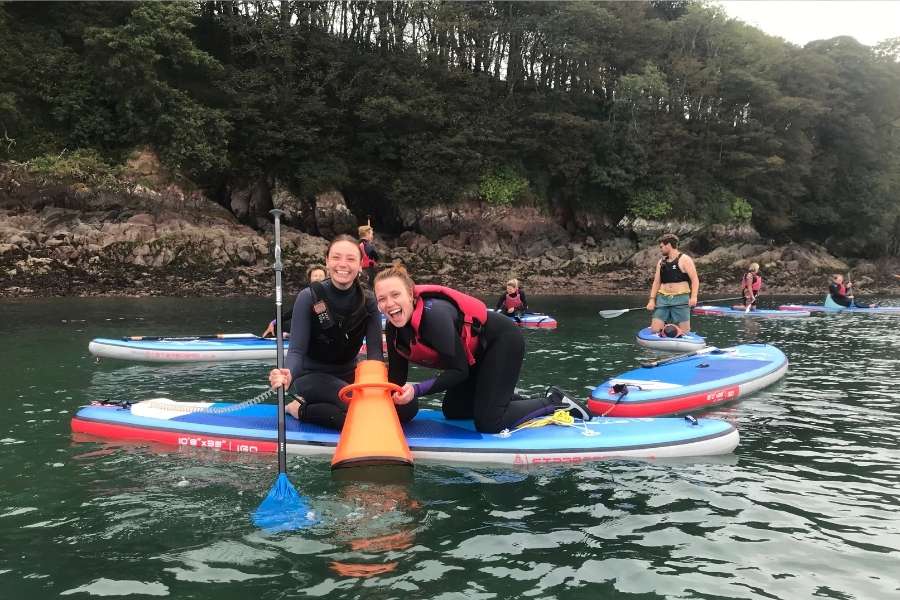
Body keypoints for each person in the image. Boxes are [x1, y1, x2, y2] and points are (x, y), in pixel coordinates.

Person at [373, 263, 591, 434]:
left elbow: (459, 371)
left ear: (410, 294)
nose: (388, 304)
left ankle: (556, 402)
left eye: (395, 295)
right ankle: (509, 400)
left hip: (502, 342)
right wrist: (380, 405)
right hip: (474, 358)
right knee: (453, 411)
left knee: (489, 422)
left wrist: (418, 390)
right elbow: (396, 378)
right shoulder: (394, 330)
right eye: (381, 299)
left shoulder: (434, 318)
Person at [267, 236, 418, 430]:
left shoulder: (369, 302)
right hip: (311, 376)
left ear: (360, 264)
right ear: (327, 261)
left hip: (349, 376)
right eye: (336, 257)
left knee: (407, 407)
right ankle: (298, 409)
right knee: (358, 407)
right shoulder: (308, 297)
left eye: (350, 259)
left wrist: (381, 391)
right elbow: (296, 351)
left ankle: (343, 405)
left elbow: (375, 357)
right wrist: (288, 374)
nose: (343, 264)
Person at [646, 233, 700, 332]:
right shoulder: (661, 262)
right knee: (655, 330)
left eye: (661, 246)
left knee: (685, 332)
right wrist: (652, 300)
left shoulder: (685, 260)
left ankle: (673, 331)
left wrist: (693, 297)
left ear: (669, 245)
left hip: (681, 299)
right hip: (663, 299)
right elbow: (656, 282)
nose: (660, 249)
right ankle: (663, 330)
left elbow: (695, 280)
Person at [261, 264, 327, 338]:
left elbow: (324, 320)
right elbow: (293, 311)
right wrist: (274, 322)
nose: (318, 278)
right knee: (278, 325)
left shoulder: (325, 294)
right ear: (310, 279)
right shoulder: (307, 294)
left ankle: (291, 336)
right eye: (315, 276)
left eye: (321, 276)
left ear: (325, 278)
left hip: (322, 331)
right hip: (307, 327)